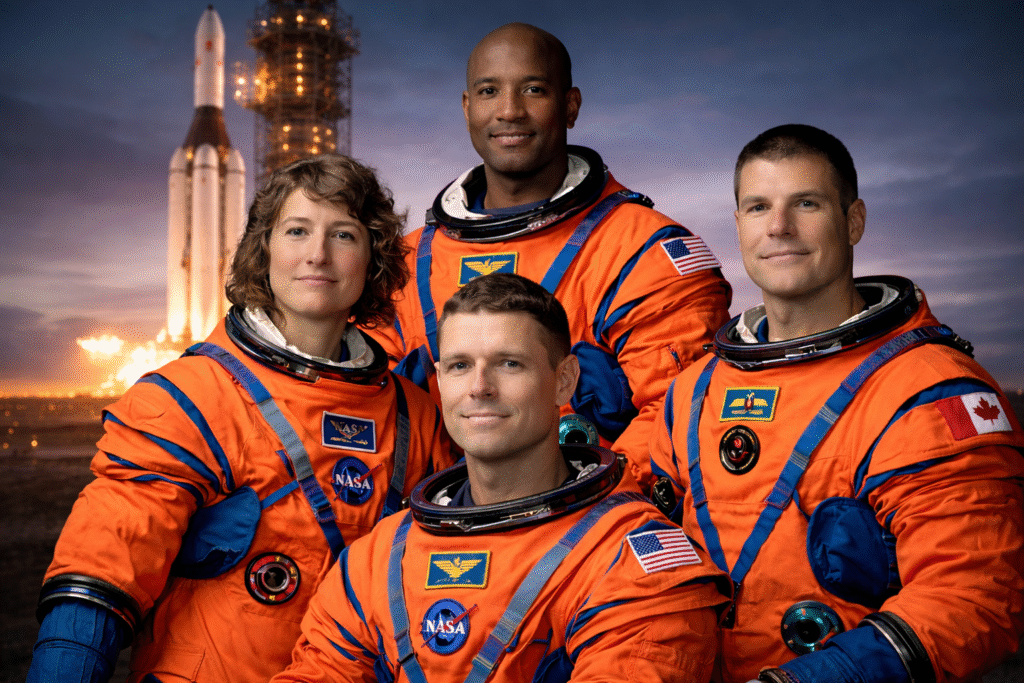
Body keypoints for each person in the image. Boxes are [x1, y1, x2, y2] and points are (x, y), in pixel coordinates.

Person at [27, 155, 454, 683]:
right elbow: (105, 564)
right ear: (265, 248)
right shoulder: (189, 398)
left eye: (343, 235)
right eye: (296, 231)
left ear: (374, 259)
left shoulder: (417, 417)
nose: (317, 255)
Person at [649, 124, 1024, 683]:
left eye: (806, 203)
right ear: (738, 226)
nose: (779, 228)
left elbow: (974, 597)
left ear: (854, 221)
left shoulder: (928, 390)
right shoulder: (694, 392)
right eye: (758, 207)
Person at [273, 273, 730, 682]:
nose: (479, 386)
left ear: (565, 380)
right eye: (459, 365)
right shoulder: (376, 560)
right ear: (439, 380)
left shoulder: (637, 561)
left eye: (510, 363)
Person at [368, 22, 731, 490]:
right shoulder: (409, 261)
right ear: (467, 107)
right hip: (436, 531)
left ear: (570, 105)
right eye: (488, 91)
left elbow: (677, 414)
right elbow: (362, 412)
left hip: (585, 531)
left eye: (533, 89)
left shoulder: (644, 250)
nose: (509, 111)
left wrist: (566, 514)